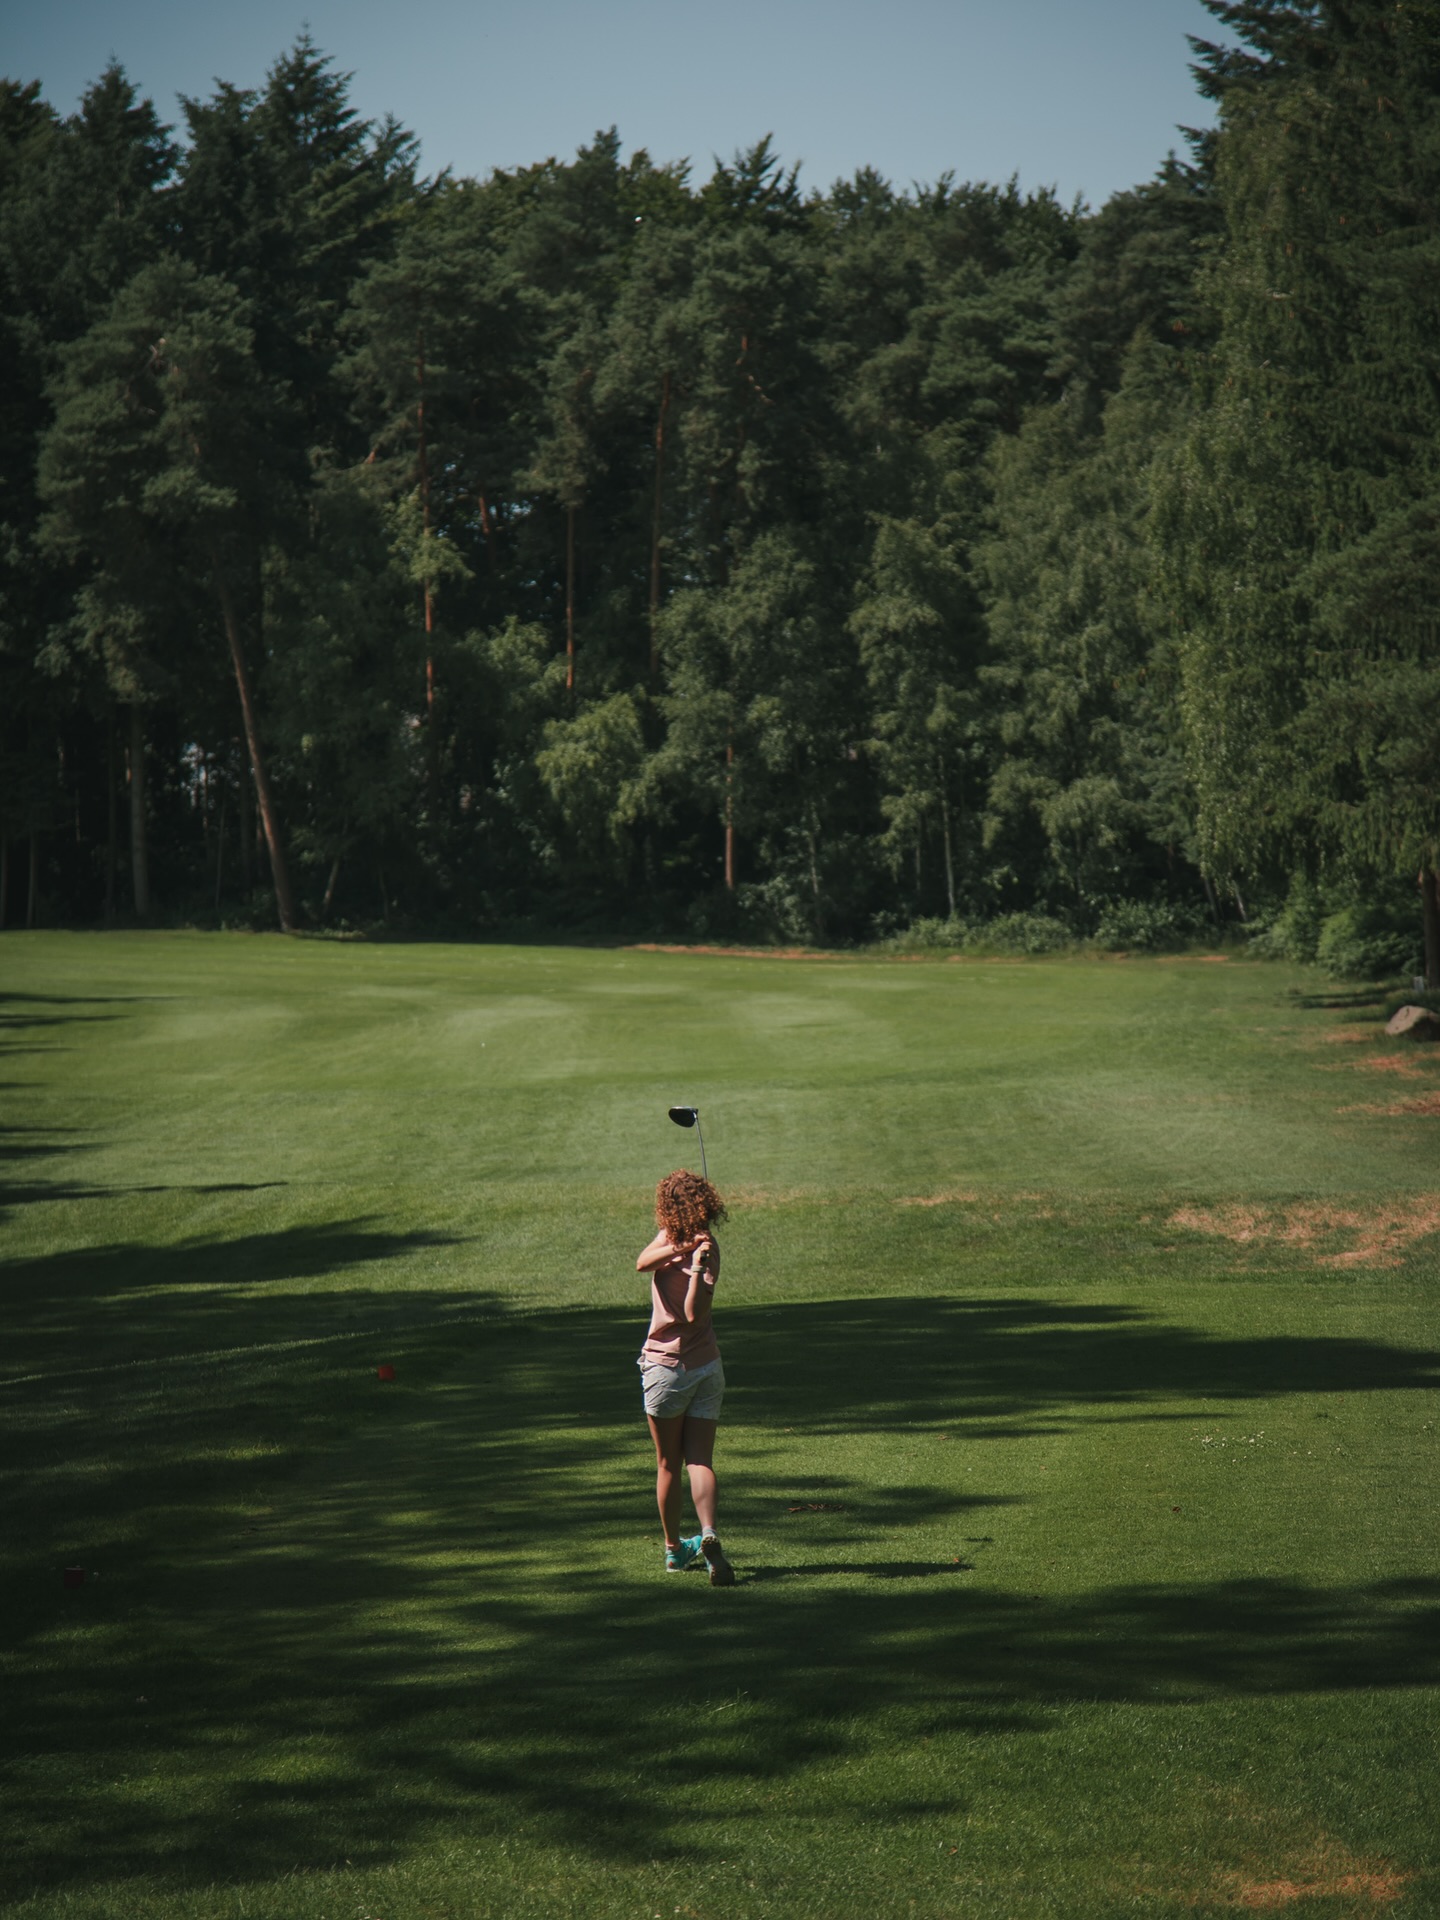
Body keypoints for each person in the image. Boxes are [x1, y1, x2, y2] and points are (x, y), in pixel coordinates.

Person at [636, 1168, 735, 1586]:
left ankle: (676, 1550)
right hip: (707, 1367)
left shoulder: (702, 1252)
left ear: (668, 1206)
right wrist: (690, 1248)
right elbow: (644, 1262)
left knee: (667, 1464)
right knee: (699, 1459)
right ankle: (708, 1532)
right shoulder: (693, 1243)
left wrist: (694, 1265)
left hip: (666, 1369)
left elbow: (693, 1314)